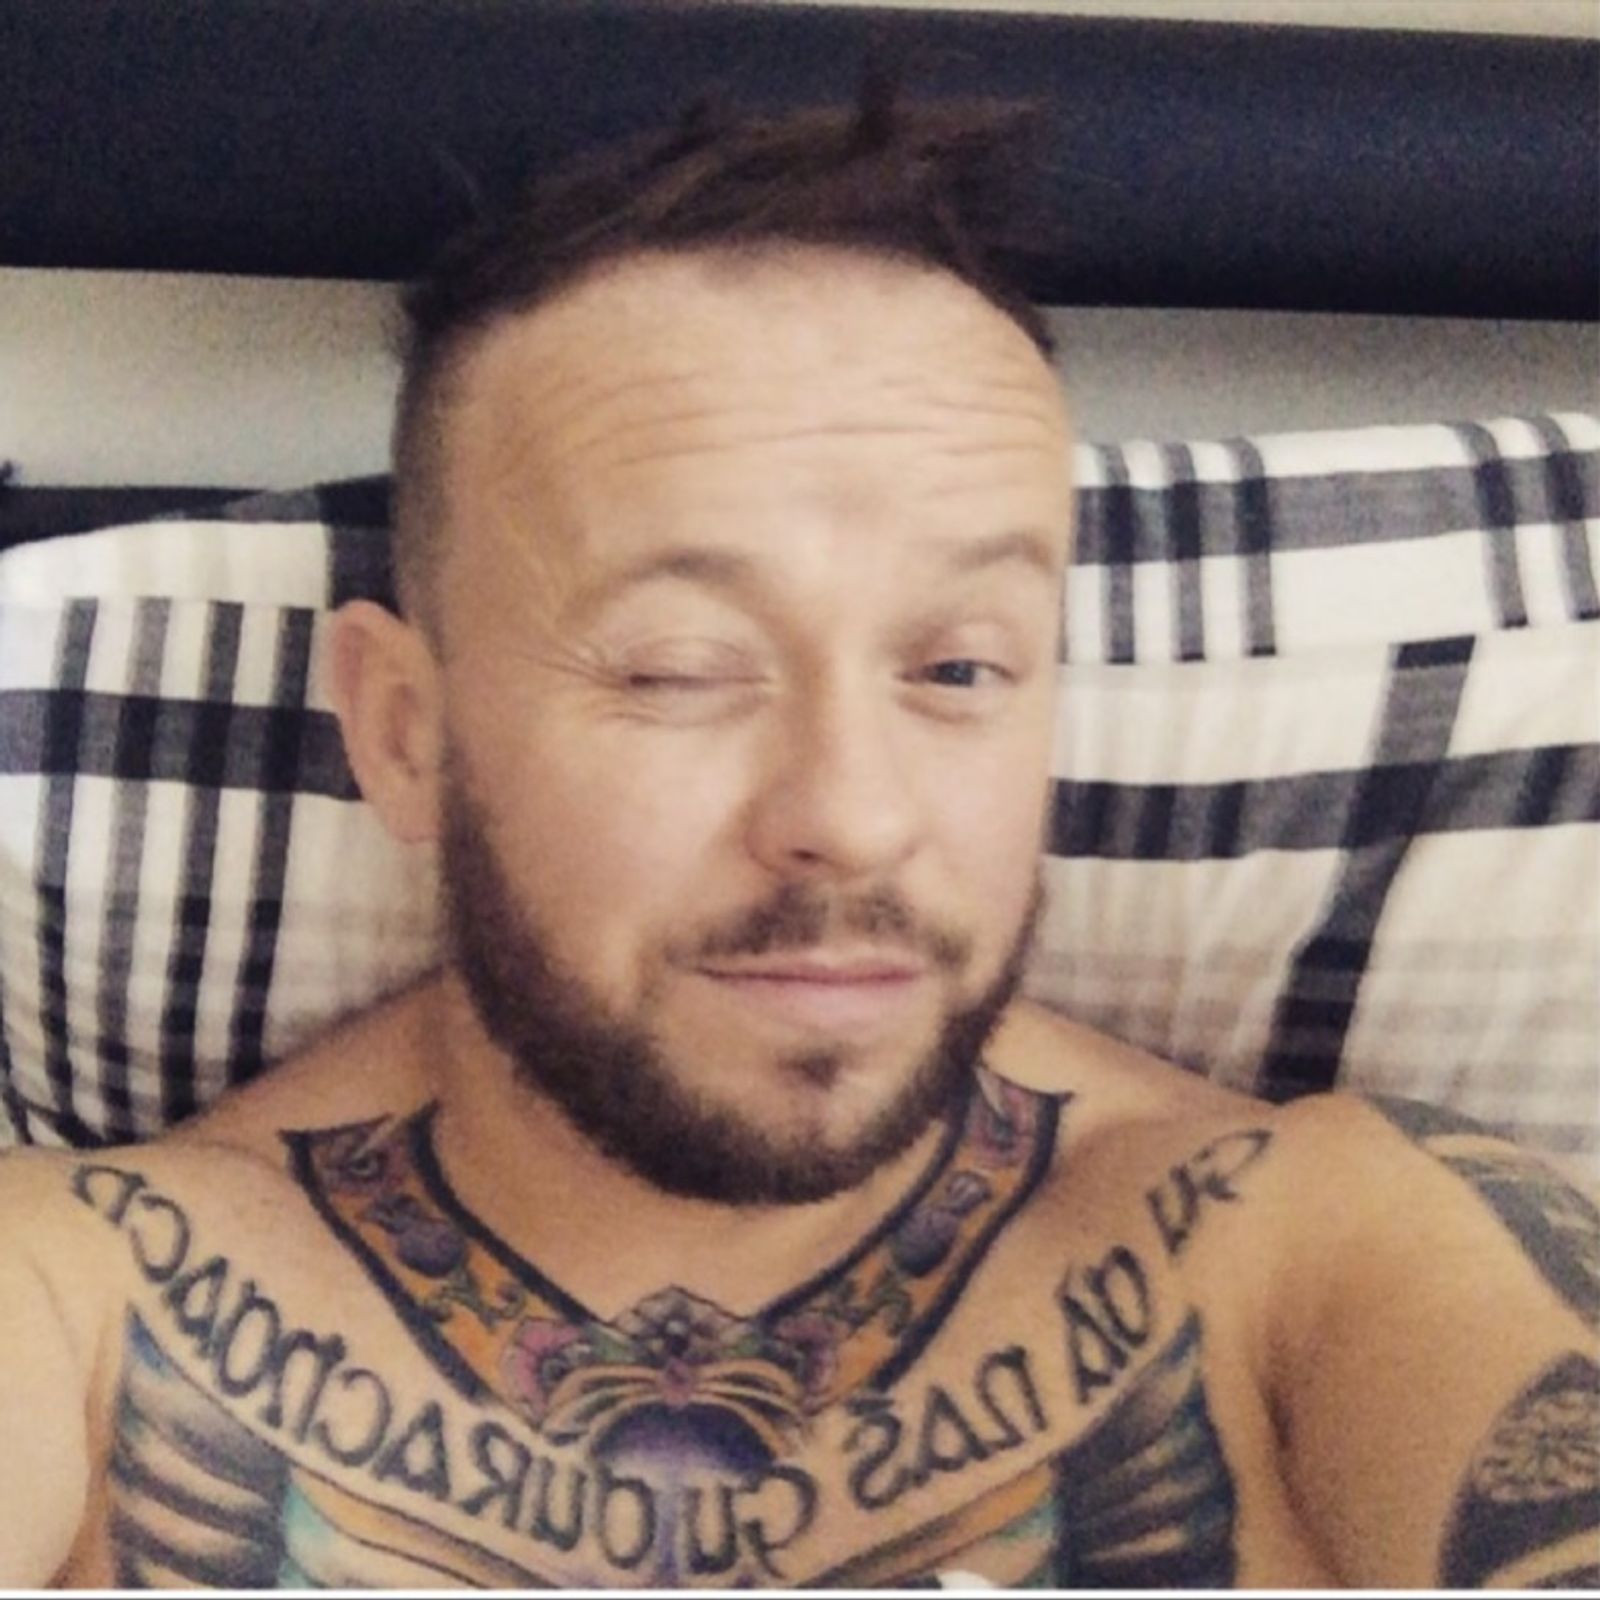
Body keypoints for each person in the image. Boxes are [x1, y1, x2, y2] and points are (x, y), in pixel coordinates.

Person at [1, 88, 1595, 1592]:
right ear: (407, 733)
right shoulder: (71, 1308)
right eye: (679, 670)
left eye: (958, 669)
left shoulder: (1334, 1259)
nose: (851, 816)